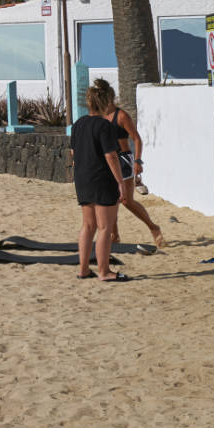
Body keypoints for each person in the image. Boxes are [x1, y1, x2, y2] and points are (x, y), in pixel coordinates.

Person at [70, 78, 130, 281]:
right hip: (102, 179)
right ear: (105, 102)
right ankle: (104, 271)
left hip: (83, 179)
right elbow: (111, 156)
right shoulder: (104, 126)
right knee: (104, 227)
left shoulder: (78, 125)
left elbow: (73, 154)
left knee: (88, 226)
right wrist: (121, 182)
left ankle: (83, 269)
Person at [95, 89, 166, 249]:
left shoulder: (121, 116)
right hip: (109, 160)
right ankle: (114, 236)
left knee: (126, 200)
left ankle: (153, 227)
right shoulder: (100, 117)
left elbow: (137, 138)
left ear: (110, 97)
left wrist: (138, 161)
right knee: (111, 200)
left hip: (124, 159)